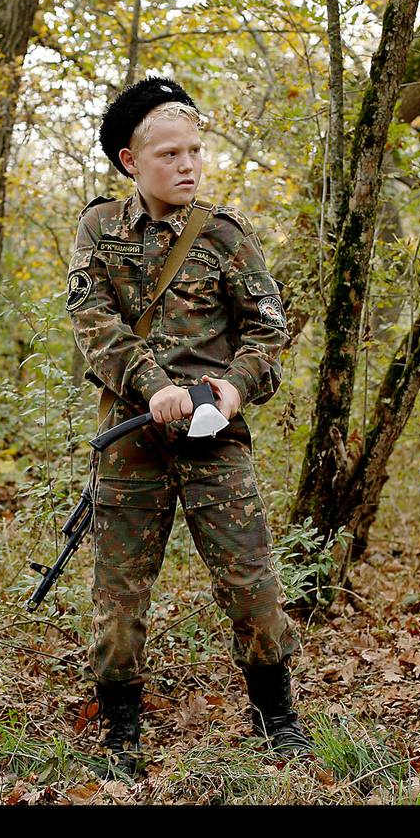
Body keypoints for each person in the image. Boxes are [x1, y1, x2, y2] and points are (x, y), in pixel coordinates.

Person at [65, 75, 311, 777]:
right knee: (118, 597)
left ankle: (278, 720)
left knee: (253, 588)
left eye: (195, 150)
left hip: (217, 442)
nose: (187, 164)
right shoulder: (98, 231)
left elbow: (269, 330)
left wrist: (233, 387)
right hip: (131, 441)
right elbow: (95, 325)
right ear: (129, 162)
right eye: (169, 153)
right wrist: (155, 387)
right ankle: (121, 732)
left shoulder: (226, 235)